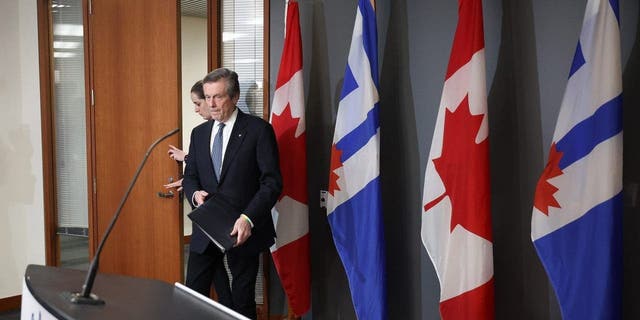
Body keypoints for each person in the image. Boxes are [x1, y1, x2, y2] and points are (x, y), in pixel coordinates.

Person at [182, 68, 282, 319]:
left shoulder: (258, 130)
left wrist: (248, 218)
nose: (211, 104)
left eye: (218, 97)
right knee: (193, 294)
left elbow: (271, 183)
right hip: (206, 229)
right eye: (207, 97)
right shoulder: (199, 133)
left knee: (241, 298)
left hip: (242, 229)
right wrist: (195, 196)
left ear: (235, 97)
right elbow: (191, 176)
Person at [165, 80, 211, 191]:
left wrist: (186, 157)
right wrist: (190, 181)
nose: (196, 110)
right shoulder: (199, 132)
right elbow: (207, 165)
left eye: (198, 104)